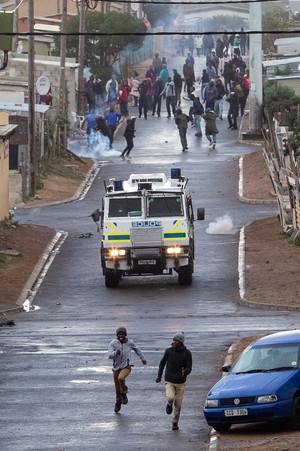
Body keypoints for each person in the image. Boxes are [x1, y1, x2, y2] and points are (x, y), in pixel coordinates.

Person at [156, 332, 192, 431]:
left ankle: (175, 422)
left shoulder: (187, 353)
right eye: (174, 340)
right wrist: (159, 375)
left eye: (176, 340)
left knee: (178, 405)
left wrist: (186, 371)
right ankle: (168, 404)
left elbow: (189, 367)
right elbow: (162, 363)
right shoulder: (168, 351)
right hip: (170, 380)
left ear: (181, 342)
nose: (174, 342)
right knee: (170, 398)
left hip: (181, 382)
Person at [108, 326, 147, 413]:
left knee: (121, 378)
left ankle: (124, 393)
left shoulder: (130, 343)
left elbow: (137, 349)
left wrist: (142, 358)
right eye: (119, 334)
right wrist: (115, 353)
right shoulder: (113, 343)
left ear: (125, 335)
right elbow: (109, 355)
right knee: (117, 388)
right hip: (116, 368)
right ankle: (118, 402)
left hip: (126, 366)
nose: (121, 336)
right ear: (117, 335)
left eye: (123, 334)